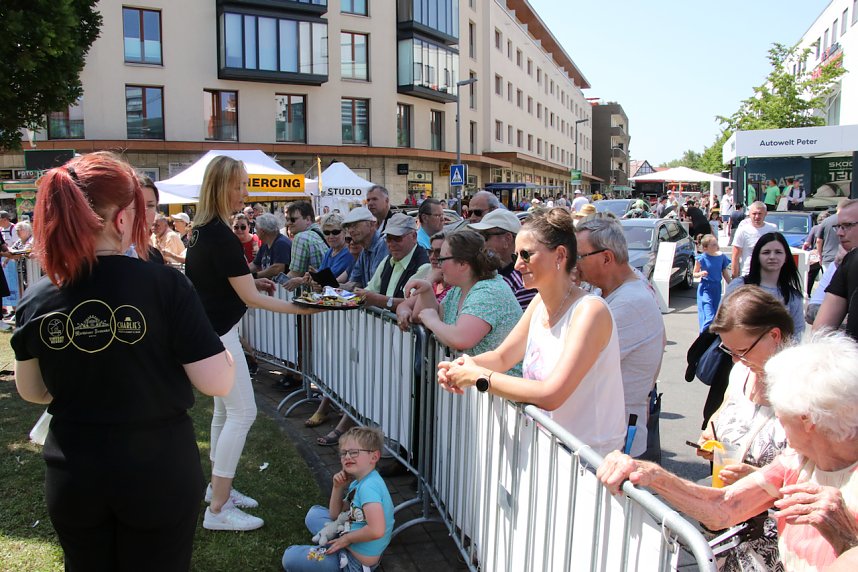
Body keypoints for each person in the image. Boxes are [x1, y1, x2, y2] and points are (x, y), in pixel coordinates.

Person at [11, 151, 235, 570]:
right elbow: (216, 382)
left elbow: (33, 391)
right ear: (120, 219)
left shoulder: (40, 296)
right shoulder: (165, 285)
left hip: (74, 470)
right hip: (157, 469)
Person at [599, 330, 858, 572]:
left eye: (780, 411)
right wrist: (649, 473)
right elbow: (724, 507)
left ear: (807, 420)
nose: (777, 418)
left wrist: (845, 538)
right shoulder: (798, 460)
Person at [185, 155, 320, 531]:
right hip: (219, 335)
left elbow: (227, 282)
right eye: (239, 186)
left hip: (211, 331)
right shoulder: (219, 235)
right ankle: (218, 510)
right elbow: (252, 297)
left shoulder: (201, 230)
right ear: (221, 186)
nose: (244, 193)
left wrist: (251, 280)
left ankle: (218, 491)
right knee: (242, 413)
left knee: (226, 412)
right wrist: (301, 309)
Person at [437, 208, 627, 456]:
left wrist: (477, 377)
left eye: (526, 255)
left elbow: (551, 394)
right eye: (517, 255)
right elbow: (503, 357)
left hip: (588, 460)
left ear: (560, 255)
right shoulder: (539, 302)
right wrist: (462, 365)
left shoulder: (590, 312)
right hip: (550, 449)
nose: (517, 264)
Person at [696, 286, 793, 571]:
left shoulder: (805, 389)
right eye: (728, 349)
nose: (736, 359)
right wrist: (710, 439)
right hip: (732, 531)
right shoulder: (741, 372)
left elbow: (823, 478)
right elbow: (719, 418)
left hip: (779, 542)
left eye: (741, 350)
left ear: (774, 336)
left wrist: (762, 480)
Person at [574, 216, 666, 458]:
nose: (574, 263)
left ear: (606, 258)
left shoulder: (630, 303)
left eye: (580, 256)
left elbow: (574, 364)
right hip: (604, 430)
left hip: (613, 440)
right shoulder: (610, 288)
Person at [405, 229, 522, 370]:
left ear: (463, 264)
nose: (439, 264)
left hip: (499, 386)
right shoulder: (459, 288)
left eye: (442, 259)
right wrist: (427, 290)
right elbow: (428, 314)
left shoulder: (489, 291)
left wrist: (431, 321)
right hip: (477, 385)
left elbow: (461, 339)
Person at [281, 427, 394, 571]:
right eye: (344, 453)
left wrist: (345, 539)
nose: (347, 457)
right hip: (351, 537)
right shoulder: (362, 481)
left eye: (354, 452)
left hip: (355, 563)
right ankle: (336, 547)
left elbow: (377, 530)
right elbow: (335, 514)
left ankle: (339, 555)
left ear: (374, 457)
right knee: (314, 513)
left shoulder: (369, 488)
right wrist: (337, 487)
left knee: (290, 556)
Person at [725, 232, 805, 338]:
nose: (772, 257)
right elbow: (722, 321)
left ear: (786, 257)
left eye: (778, 252)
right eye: (766, 252)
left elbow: (797, 334)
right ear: (757, 256)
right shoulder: (739, 285)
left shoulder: (793, 296)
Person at [468, 209, 537, 311]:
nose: (482, 243)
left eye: (485, 236)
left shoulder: (522, 282)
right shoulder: (491, 272)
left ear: (507, 239)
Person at [814, 200, 858, 341]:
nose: (839, 233)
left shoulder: (851, 260)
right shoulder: (846, 261)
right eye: (838, 227)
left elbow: (820, 331)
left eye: (847, 226)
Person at [340, 207, 388, 291]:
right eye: (348, 227)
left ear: (371, 224)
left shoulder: (383, 245)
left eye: (355, 225)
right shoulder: (365, 250)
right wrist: (329, 286)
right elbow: (354, 283)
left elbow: (376, 287)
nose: (351, 230)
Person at [283, 201, 327, 290]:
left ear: (307, 219)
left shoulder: (301, 237)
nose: (288, 223)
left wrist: (276, 285)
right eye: (287, 220)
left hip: (316, 295)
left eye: (293, 219)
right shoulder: (323, 232)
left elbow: (295, 274)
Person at [694, 234, 732, 332]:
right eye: (713, 244)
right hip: (705, 288)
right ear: (706, 248)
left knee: (715, 316)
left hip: (717, 288)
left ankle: (710, 339)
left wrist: (732, 285)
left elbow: (724, 273)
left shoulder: (721, 257)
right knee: (709, 316)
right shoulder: (701, 258)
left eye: (716, 243)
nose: (717, 246)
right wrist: (701, 273)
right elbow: (694, 273)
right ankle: (702, 337)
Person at [731, 202, 777, 278]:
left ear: (765, 214)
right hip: (748, 274)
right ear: (749, 214)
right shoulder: (742, 230)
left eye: (760, 214)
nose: (757, 216)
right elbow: (735, 256)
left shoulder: (772, 229)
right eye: (754, 213)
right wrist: (735, 279)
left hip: (769, 275)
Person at [316, 212, 357, 284]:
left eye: (335, 232)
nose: (331, 236)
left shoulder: (349, 252)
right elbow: (321, 273)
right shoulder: (330, 251)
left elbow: (330, 277)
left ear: (345, 232)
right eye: (327, 233)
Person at [250, 213, 292, 279]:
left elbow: (278, 268)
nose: (256, 232)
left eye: (256, 229)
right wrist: (242, 274)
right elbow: (255, 264)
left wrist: (255, 275)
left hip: (282, 287)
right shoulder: (265, 244)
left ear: (262, 231)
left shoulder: (281, 243)